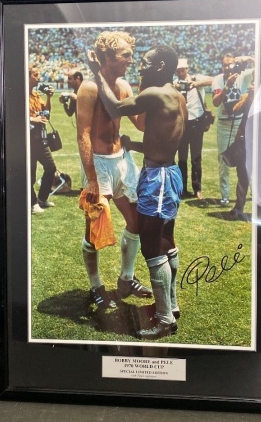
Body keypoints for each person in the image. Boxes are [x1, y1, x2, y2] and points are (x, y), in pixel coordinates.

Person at [87, 44, 187, 340]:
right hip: (168, 173)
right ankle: (172, 305)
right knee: (166, 239)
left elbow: (115, 107)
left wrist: (95, 71)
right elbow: (168, 140)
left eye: (144, 62)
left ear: (159, 67)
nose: (139, 66)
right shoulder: (176, 95)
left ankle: (165, 320)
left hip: (158, 178)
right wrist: (138, 146)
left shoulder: (155, 94)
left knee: (151, 244)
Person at [76, 31, 152, 310]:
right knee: (95, 230)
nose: (130, 60)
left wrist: (146, 87)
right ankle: (97, 286)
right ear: (106, 57)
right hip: (99, 165)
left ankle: (126, 279)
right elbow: (83, 135)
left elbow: (141, 124)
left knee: (136, 223)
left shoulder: (124, 85)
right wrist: (92, 179)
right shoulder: (89, 88)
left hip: (122, 161)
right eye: (125, 55)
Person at [212, 53, 254, 219]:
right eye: (225, 65)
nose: (228, 67)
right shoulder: (218, 79)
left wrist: (249, 59)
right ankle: (225, 195)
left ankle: (243, 197)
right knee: (223, 161)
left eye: (231, 64)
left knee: (243, 162)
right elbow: (215, 102)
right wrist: (227, 87)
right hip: (224, 123)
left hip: (240, 123)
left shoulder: (243, 76)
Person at [174, 58, 213, 200]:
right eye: (178, 70)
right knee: (182, 158)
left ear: (187, 69)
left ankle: (197, 189)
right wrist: (175, 88)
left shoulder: (196, 79)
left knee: (196, 157)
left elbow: (212, 80)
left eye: (183, 70)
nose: (181, 73)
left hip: (196, 123)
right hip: (183, 124)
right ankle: (182, 189)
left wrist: (195, 84)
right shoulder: (174, 83)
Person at [29, 65, 57, 214]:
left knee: (51, 168)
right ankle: (33, 204)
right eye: (35, 75)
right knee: (30, 174)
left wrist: (49, 98)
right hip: (28, 140)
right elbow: (16, 116)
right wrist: (33, 119)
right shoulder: (20, 95)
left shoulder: (35, 94)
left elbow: (46, 112)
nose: (38, 77)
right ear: (26, 77)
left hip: (40, 139)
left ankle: (42, 199)